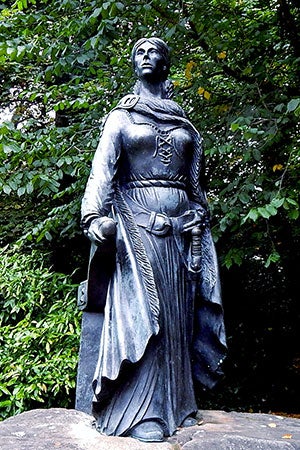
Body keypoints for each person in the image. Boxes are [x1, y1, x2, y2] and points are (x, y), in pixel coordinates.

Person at [81, 37, 226, 442]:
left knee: (178, 316)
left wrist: (199, 214)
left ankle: (178, 404)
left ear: (166, 63)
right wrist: (94, 216)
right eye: (139, 51)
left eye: (154, 50)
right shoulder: (121, 118)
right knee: (146, 313)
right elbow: (102, 172)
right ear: (133, 64)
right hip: (137, 226)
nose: (147, 55)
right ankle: (139, 410)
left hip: (182, 232)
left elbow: (196, 185)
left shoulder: (184, 125)